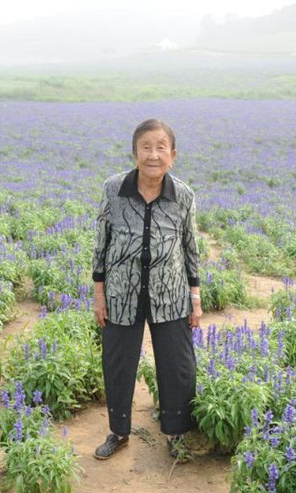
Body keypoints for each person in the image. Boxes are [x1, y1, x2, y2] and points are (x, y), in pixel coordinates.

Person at [91, 118, 202, 462]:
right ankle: (119, 432)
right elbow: (101, 243)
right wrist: (99, 294)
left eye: (161, 147)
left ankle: (176, 431)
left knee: (177, 364)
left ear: (173, 155)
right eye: (146, 147)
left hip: (169, 296)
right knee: (118, 363)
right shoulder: (114, 189)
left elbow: (190, 248)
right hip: (121, 295)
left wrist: (195, 298)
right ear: (135, 151)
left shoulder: (182, 195)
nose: (153, 154)